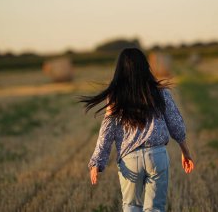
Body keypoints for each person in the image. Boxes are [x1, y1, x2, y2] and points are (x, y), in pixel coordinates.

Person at [80, 48, 194, 212]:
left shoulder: (115, 97)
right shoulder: (160, 93)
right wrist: (185, 151)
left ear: (120, 70)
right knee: (155, 208)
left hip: (129, 159)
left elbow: (107, 130)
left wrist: (97, 162)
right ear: (145, 66)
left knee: (132, 206)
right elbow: (176, 124)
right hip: (157, 156)